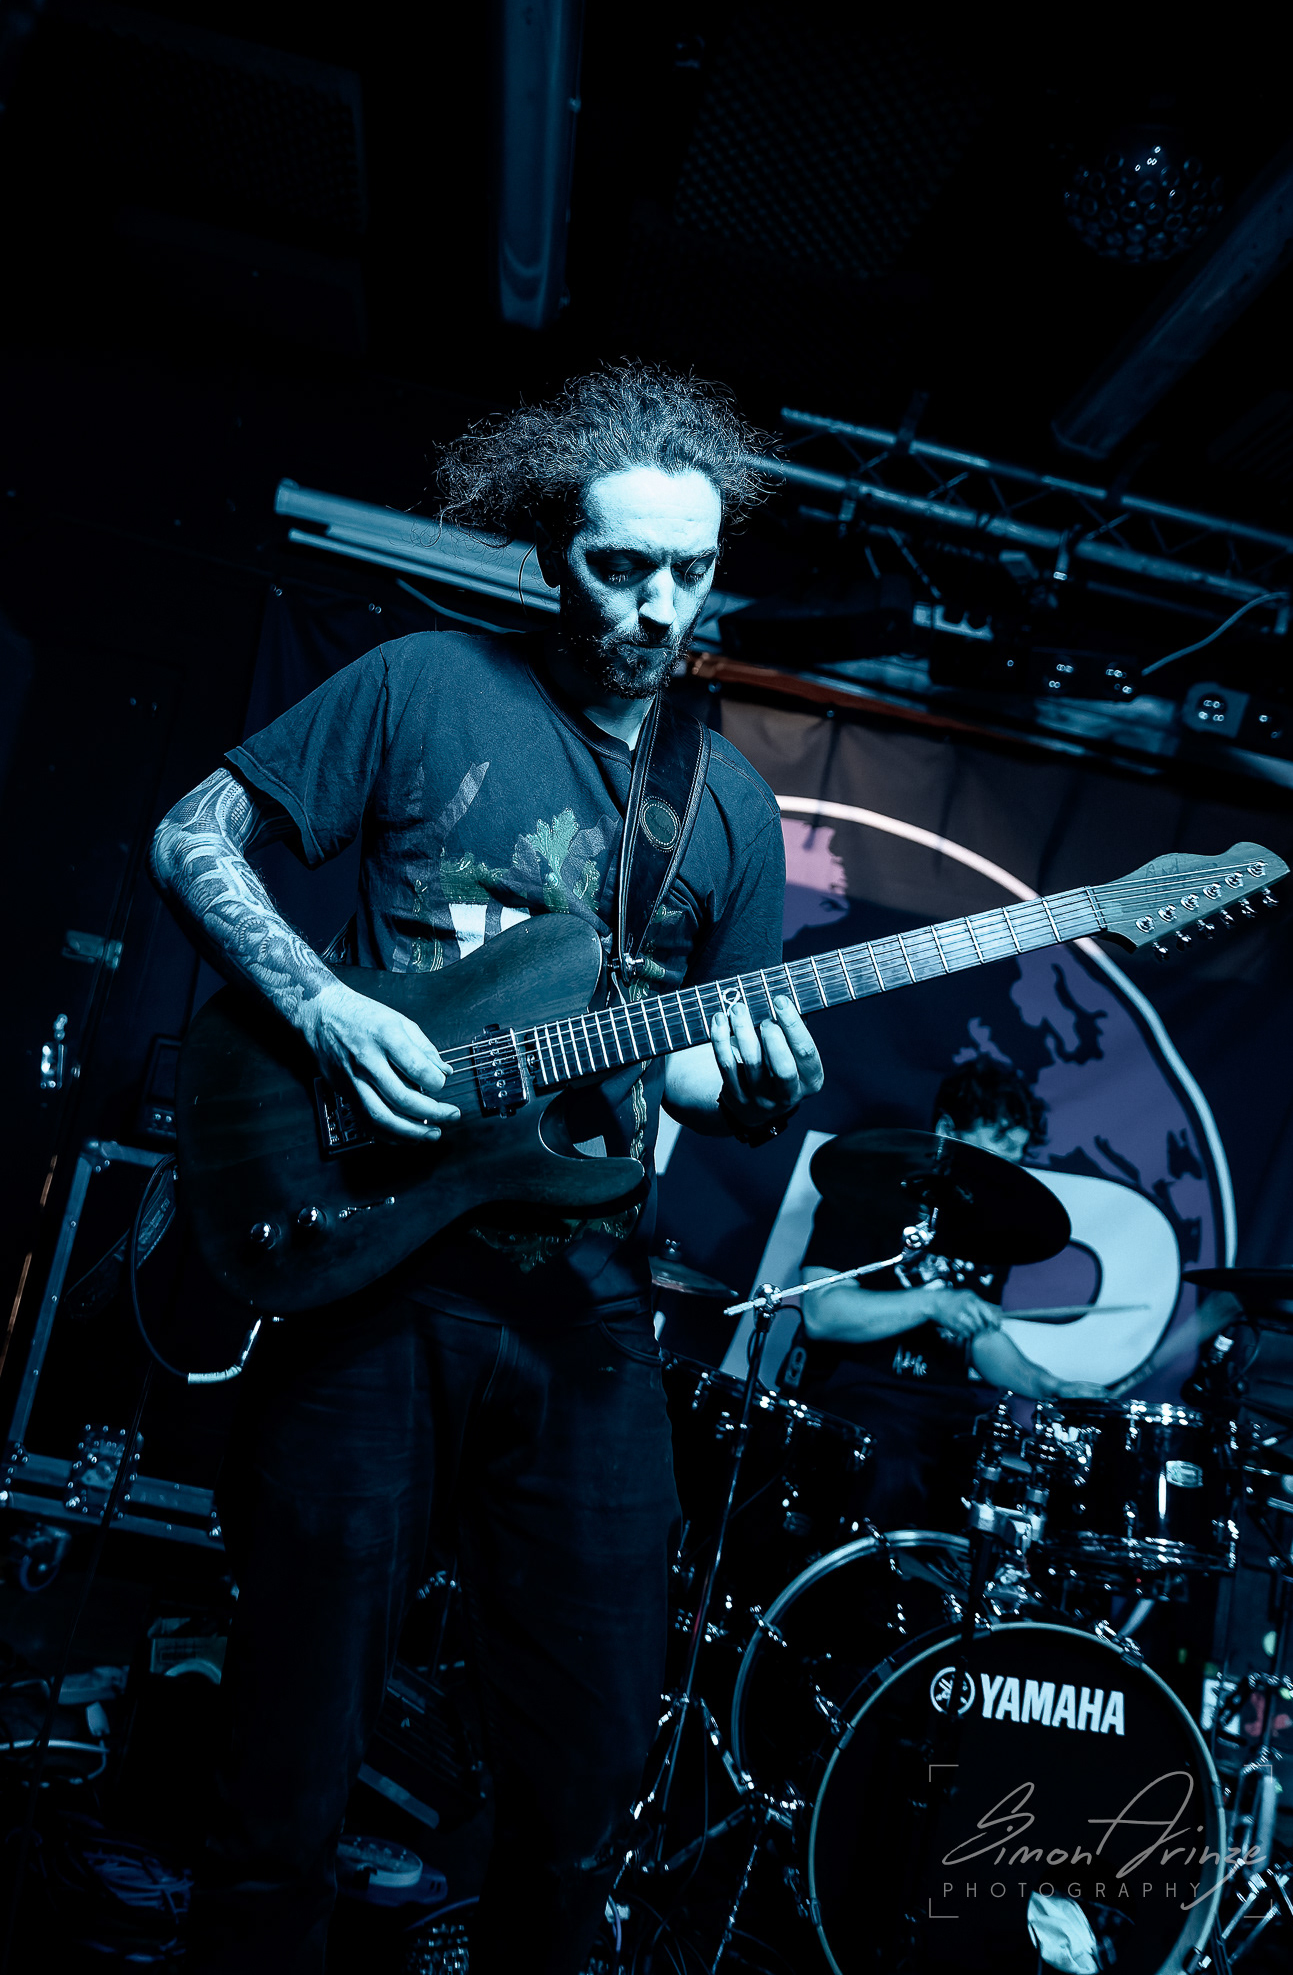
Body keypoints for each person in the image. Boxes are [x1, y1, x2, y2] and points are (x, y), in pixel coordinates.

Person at [148, 364, 825, 1975]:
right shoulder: (424, 684)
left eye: (687, 571)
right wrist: (323, 1007)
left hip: (584, 1301)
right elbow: (190, 836)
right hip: (379, 1269)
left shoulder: (725, 804)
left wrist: (748, 1091)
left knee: (583, 1774)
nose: (655, 607)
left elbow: (681, 1063)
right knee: (288, 1756)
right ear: (550, 552)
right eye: (619, 565)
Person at [776, 1055, 1097, 1530]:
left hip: (948, 1407)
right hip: (859, 1394)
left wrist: (1052, 1386)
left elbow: (981, 1338)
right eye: (998, 1147)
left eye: (1017, 1155)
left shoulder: (994, 1225)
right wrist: (934, 1302)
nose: (1009, 1167)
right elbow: (824, 1313)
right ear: (948, 1130)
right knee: (892, 1471)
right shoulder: (866, 1190)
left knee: (1016, 1482)